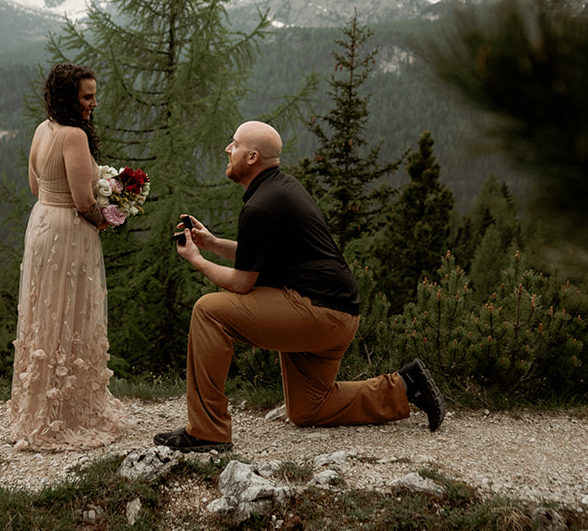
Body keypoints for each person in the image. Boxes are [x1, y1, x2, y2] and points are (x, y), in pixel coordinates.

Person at [155, 120, 445, 453]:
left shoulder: (261, 205)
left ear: (251, 158)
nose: (227, 149)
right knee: (309, 408)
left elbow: (242, 282)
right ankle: (407, 386)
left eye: (233, 144)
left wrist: (196, 259)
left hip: (317, 312)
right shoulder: (280, 188)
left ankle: (207, 431)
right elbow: (259, 257)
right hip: (336, 314)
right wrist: (213, 243)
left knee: (208, 311)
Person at [9, 62, 135, 451]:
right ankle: (66, 414)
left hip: (42, 224)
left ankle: (38, 407)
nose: (94, 103)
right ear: (69, 97)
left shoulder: (42, 130)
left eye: (95, 95)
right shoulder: (74, 137)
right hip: (68, 232)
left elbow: (35, 185)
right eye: (87, 96)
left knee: (45, 315)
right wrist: (113, 215)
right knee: (70, 314)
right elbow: (84, 201)